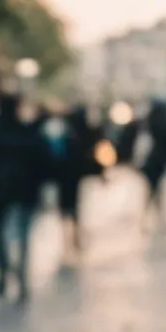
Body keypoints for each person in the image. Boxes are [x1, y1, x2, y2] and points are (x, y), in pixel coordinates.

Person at [0, 92, 49, 300]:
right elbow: (41, 163)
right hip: (23, 191)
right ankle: (20, 278)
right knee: (22, 238)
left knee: (0, 236)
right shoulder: (27, 133)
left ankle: (4, 274)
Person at [50, 104, 100, 256]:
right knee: (73, 208)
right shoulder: (80, 133)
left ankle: (70, 238)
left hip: (67, 176)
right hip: (74, 175)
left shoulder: (66, 134)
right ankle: (73, 238)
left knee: (68, 208)